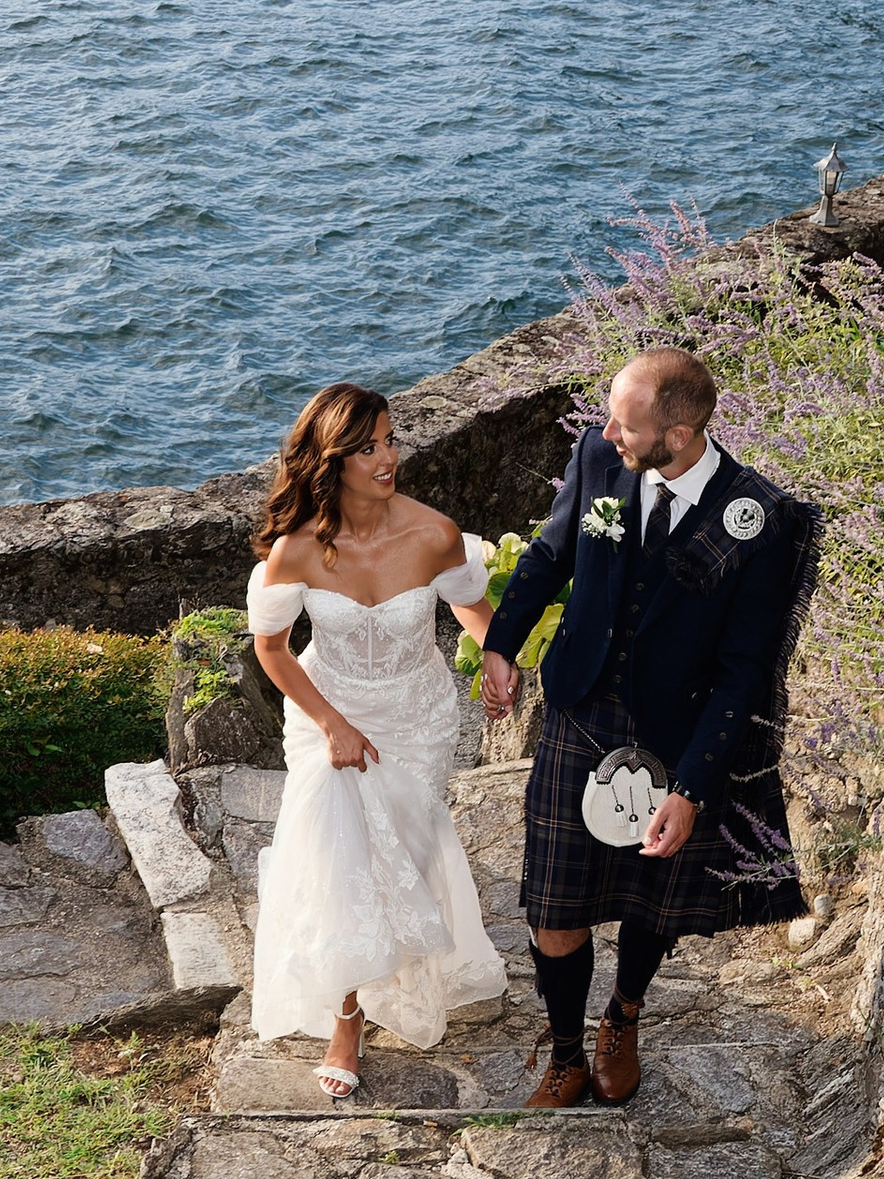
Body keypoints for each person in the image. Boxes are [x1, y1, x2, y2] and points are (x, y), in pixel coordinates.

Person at [478, 344, 807, 1108]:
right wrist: (500, 643)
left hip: (675, 727)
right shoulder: (600, 456)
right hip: (580, 708)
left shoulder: (759, 519)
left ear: (679, 435)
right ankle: (565, 1052)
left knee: (649, 900)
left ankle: (622, 1014)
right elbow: (550, 555)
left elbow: (745, 671)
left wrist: (692, 788)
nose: (606, 435)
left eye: (625, 425)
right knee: (553, 904)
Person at [246, 382, 510, 1100]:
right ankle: (347, 1016)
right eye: (367, 448)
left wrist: (497, 659)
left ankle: (390, 974)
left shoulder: (433, 534)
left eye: (391, 440)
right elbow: (271, 649)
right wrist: (331, 722)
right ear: (332, 459)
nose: (388, 458)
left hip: (417, 717)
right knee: (338, 859)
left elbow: (476, 611)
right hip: (326, 710)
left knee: (405, 857)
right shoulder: (297, 549)